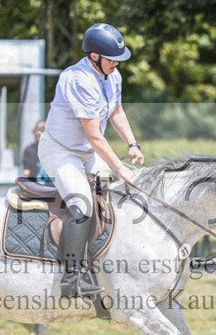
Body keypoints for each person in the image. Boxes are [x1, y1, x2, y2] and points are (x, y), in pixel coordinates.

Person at [39, 22, 143, 298]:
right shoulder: (78, 79)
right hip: (61, 151)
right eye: (112, 59)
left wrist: (132, 144)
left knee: (115, 196)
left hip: (87, 150)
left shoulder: (112, 76)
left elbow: (117, 112)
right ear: (94, 56)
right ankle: (71, 280)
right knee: (83, 207)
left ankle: (104, 266)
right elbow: (95, 136)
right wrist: (120, 167)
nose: (117, 65)